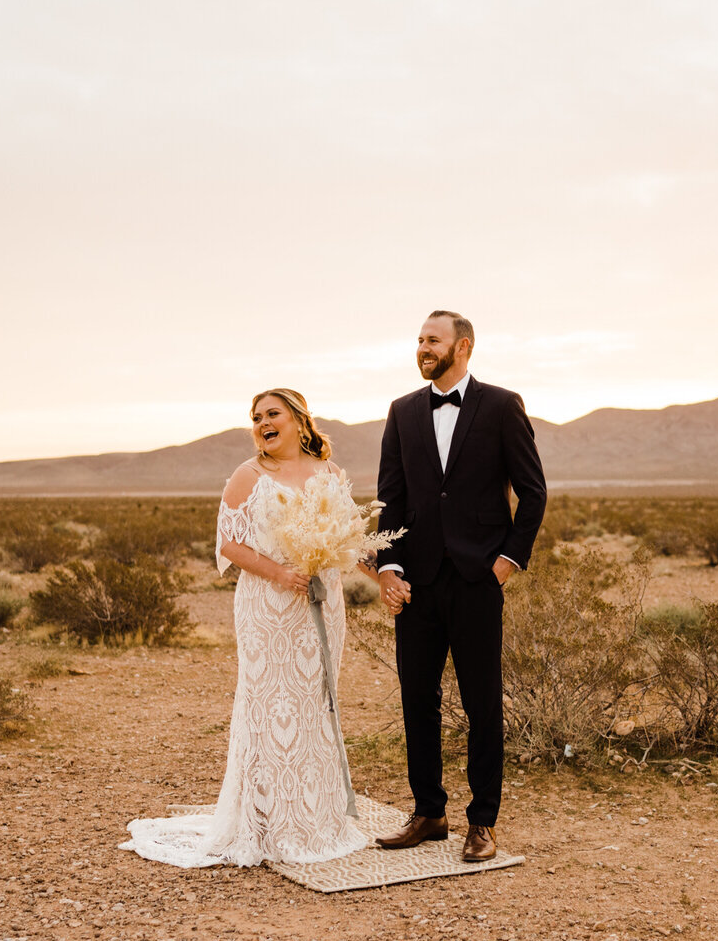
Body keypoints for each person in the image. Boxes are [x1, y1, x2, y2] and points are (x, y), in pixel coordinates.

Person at [118, 389, 370, 867]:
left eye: (272, 415)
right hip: (268, 607)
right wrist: (280, 573)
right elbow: (229, 544)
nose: (262, 424)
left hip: (322, 603)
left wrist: (366, 572)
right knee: (271, 704)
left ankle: (317, 817)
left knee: (317, 701)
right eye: (256, 418)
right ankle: (267, 820)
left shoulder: (330, 474)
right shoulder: (248, 475)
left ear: (299, 421)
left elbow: (348, 538)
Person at [373, 311, 547, 862]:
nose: (422, 347)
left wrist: (507, 561)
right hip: (417, 584)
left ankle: (483, 822)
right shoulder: (402, 412)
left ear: (463, 346)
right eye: (419, 339)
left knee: (481, 703)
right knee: (416, 699)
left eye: (433, 340)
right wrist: (389, 568)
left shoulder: (501, 406)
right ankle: (429, 812)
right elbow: (390, 500)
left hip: (476, 581)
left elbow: (533, 492)